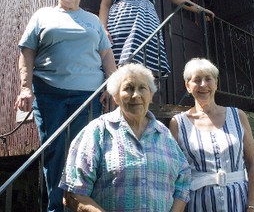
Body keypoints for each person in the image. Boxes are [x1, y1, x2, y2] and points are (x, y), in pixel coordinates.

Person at [14, 0, 117, 211]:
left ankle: (84, 207)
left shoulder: (92, 20)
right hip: (49, 94)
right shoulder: (42, 16)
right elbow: (27, 51)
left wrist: (112, 84)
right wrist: (25, 87)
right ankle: (57, 207)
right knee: (56, 152)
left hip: (88, 96)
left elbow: (106, 54)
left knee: (87, 153)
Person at [59, 63, 192, 211]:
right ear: (115, 97)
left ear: (151, 95)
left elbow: (183, 181)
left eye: (142, 88)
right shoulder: (97, 131)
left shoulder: (164, 135)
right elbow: (74, 193)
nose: (136, 95)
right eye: (128, 88)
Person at [169, 58, 254, 212]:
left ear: (216, 83)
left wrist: (253, 205)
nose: (203, 84)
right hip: (197, 205)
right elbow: (174, 172)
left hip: (238, 203)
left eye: (208, 79)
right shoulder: (178, 123)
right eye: (197, 80)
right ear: (188, 86)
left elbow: (252, 163)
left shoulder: (238, 116)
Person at [99, 0, 214, 75]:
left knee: (144, 67)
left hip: (146, 22)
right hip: (120, 22)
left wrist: (200, 9)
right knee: (117, 65)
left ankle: (145, 105)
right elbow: (105, 4)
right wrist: (102, 28)